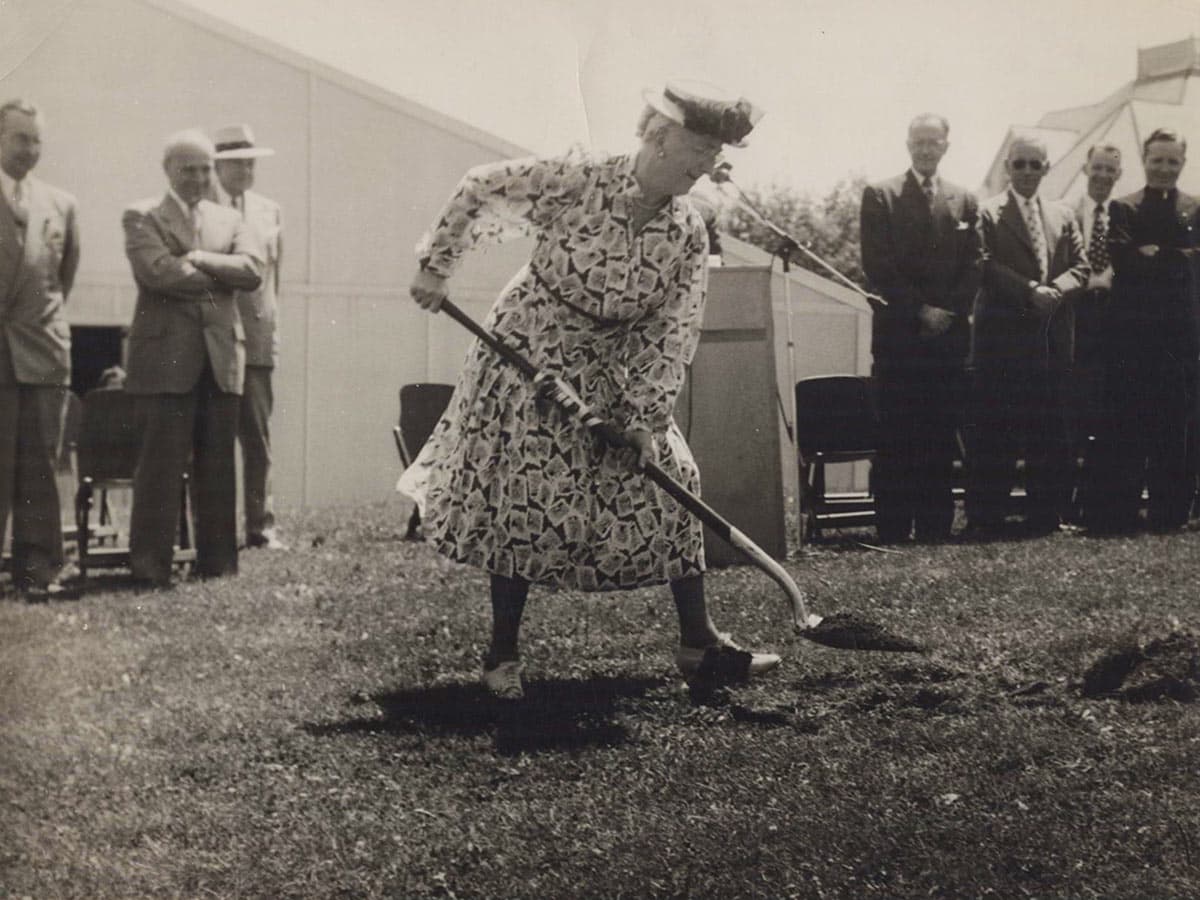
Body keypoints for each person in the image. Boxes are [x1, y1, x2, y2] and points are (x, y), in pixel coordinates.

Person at [401, 80, 778, 700]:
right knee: (522, 488)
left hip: (607, 364)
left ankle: (699, 644)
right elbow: (480, 187)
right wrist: (435, 264)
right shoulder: (580, 179)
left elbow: (672, 329)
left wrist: (643, 418)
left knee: (676, 478)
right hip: (526, 346)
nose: (707, 166)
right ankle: (502, 655)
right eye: (700, 148)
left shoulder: (687, 231)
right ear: (658, 135)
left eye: (715, 154)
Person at [123, 129, 263, 586]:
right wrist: (222, 275)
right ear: (168, 171)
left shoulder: (230, 218)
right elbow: (159, 272)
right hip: (166, 359)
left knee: (218, 465)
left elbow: (253, 270)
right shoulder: (142, 215)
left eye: (206, 169)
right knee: (160, 468)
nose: (200, 177)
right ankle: (149, 567)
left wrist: (199, 256)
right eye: (189, 169)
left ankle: (218, 566)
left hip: (222, 357)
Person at [859, 113, 980, 542]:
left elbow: (974, 265)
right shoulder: (881, 195)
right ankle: (892, 528)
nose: (926, 149)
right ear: (907, 144)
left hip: (947, 341)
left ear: (947, 145)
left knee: (939, 436)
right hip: (900, 338)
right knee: (897, 437)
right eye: (919, 141)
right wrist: (920, 311)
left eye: (934, 141)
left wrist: (946, 312)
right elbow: (878, 265)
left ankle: (934, 527)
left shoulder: (965, 200)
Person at [967, 135, 1089, 535]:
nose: (1027, 172)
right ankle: (986, 520)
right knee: (995, 435)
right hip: (1002, 342)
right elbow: (982, 263)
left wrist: (1056, 289)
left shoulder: (1063, 214)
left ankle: (1045, 517)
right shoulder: (985, 213)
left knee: (1050, 435)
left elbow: (1082, 267)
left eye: (1035, 165)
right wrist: (1029, 291)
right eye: (1019, 164)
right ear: (1007, 167)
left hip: (1052, 341)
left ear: (1047, 168)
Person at [1087, 128, 1200, 533]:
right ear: (1145, 160)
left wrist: (1158, 254)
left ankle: (1170, 514)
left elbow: (1192, 263)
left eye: (1172, 161)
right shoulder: (1124, 207)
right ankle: (1117, 514)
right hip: (1133, 339)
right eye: (1157, 160)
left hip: (1182, 337)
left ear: (1183, 164)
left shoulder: (1195, 208)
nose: (1164, 168)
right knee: (1127, 426)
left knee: (1177, 427)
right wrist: (1178, 260)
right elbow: (1125, 262)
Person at [0, 98, 80, 600]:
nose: (29, 148)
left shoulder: (61, 204)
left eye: (36, 139)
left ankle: (37, 570)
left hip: (42, 353)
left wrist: (38, 327)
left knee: (40, 467)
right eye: (18, 137)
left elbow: (61, 278)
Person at [212, 124, 287, 551]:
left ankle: (261, 526)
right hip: (216, 338)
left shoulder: (269, 211)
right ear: (218, 165)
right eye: (238, 162)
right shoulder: (201, 208)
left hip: (257, 340)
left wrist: (273, 335)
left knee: (257, 437)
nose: (246, 168)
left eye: (251, 161)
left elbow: (277, 280)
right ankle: (217, 528)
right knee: (216, 437)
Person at [1068, 144, 1122, 521]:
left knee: (1108, 417)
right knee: (1069, 418)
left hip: (1115, 330)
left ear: (1118, 175)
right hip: (1072, 327)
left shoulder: (1126, 215)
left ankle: (1097, 503)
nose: (1102, 175)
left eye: (1110, 170)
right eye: (1097, 168)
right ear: (1085, 169)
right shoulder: (1064, 212)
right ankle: (1064, 501)